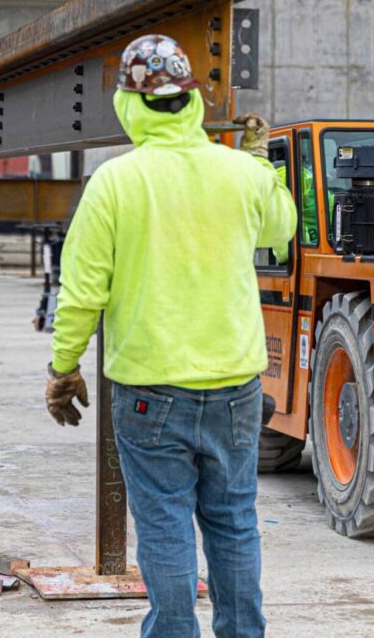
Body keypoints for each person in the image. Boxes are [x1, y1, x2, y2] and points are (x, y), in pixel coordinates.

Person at [44, 34, 295, 637]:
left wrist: (63, 368)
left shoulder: (115, 183)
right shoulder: (239, 171)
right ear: (192, 102)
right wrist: (261, 162)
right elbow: (282, 231)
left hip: (149, 390)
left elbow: (82, 293)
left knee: (164, 525)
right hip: (234, 385)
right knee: (234, 521)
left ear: (129, 104)